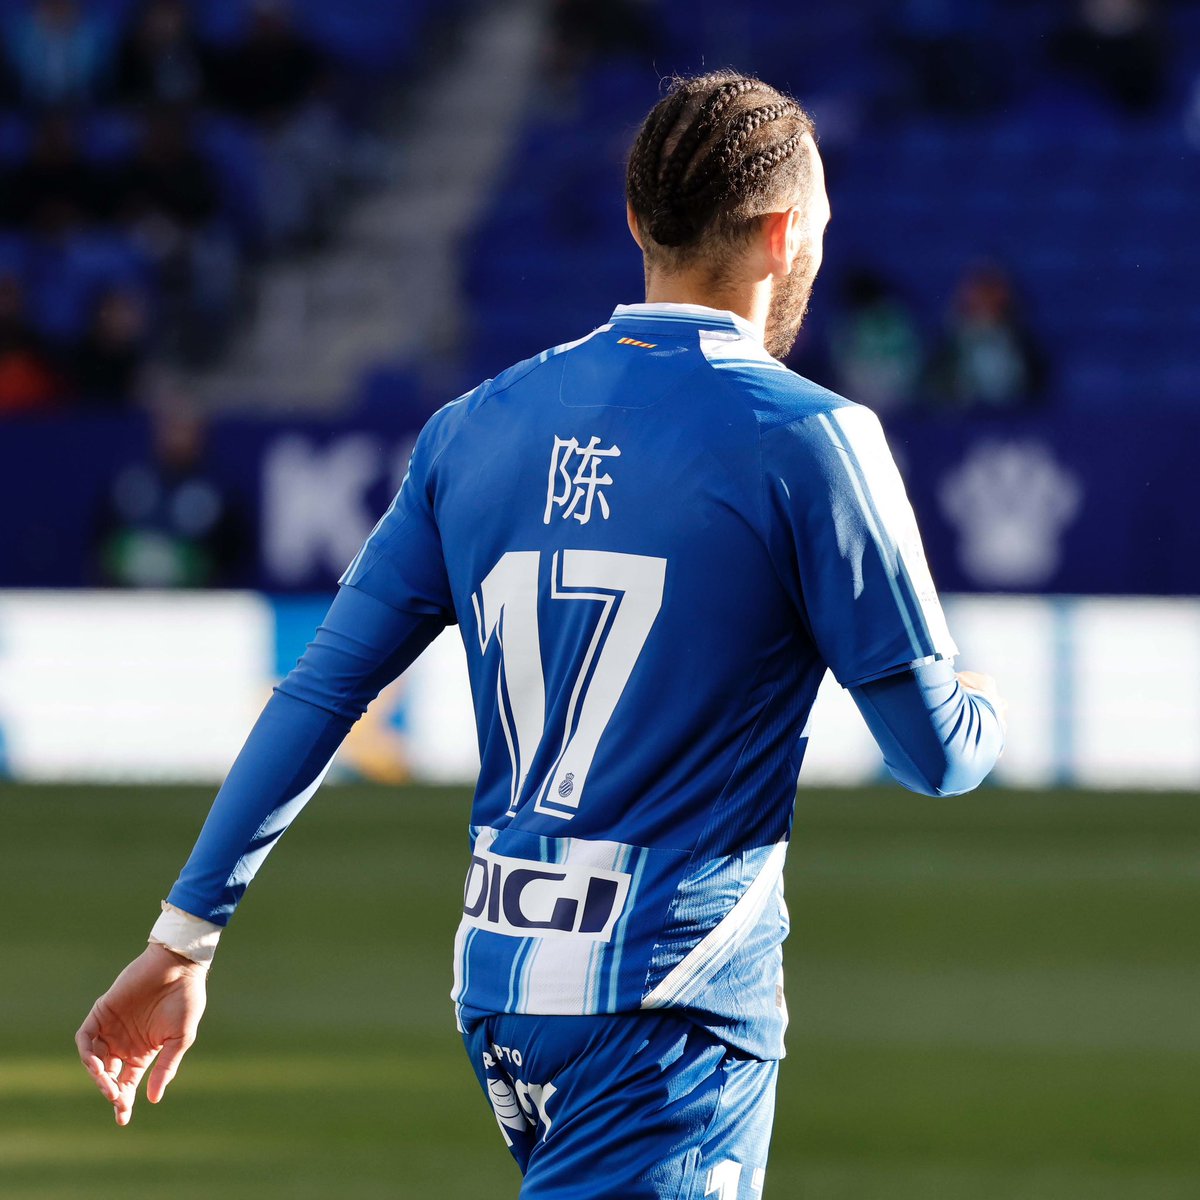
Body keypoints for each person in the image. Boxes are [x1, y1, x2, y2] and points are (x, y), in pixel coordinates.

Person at [77, 71, 1007, 1197]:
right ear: (783, 234)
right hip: (668, 1006)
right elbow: (935, 754)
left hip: (505, 993)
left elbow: (319, 691)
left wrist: (184, 938)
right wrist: (975, 693)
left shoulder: (473, 427)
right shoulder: (812, 438)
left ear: (633, 221)